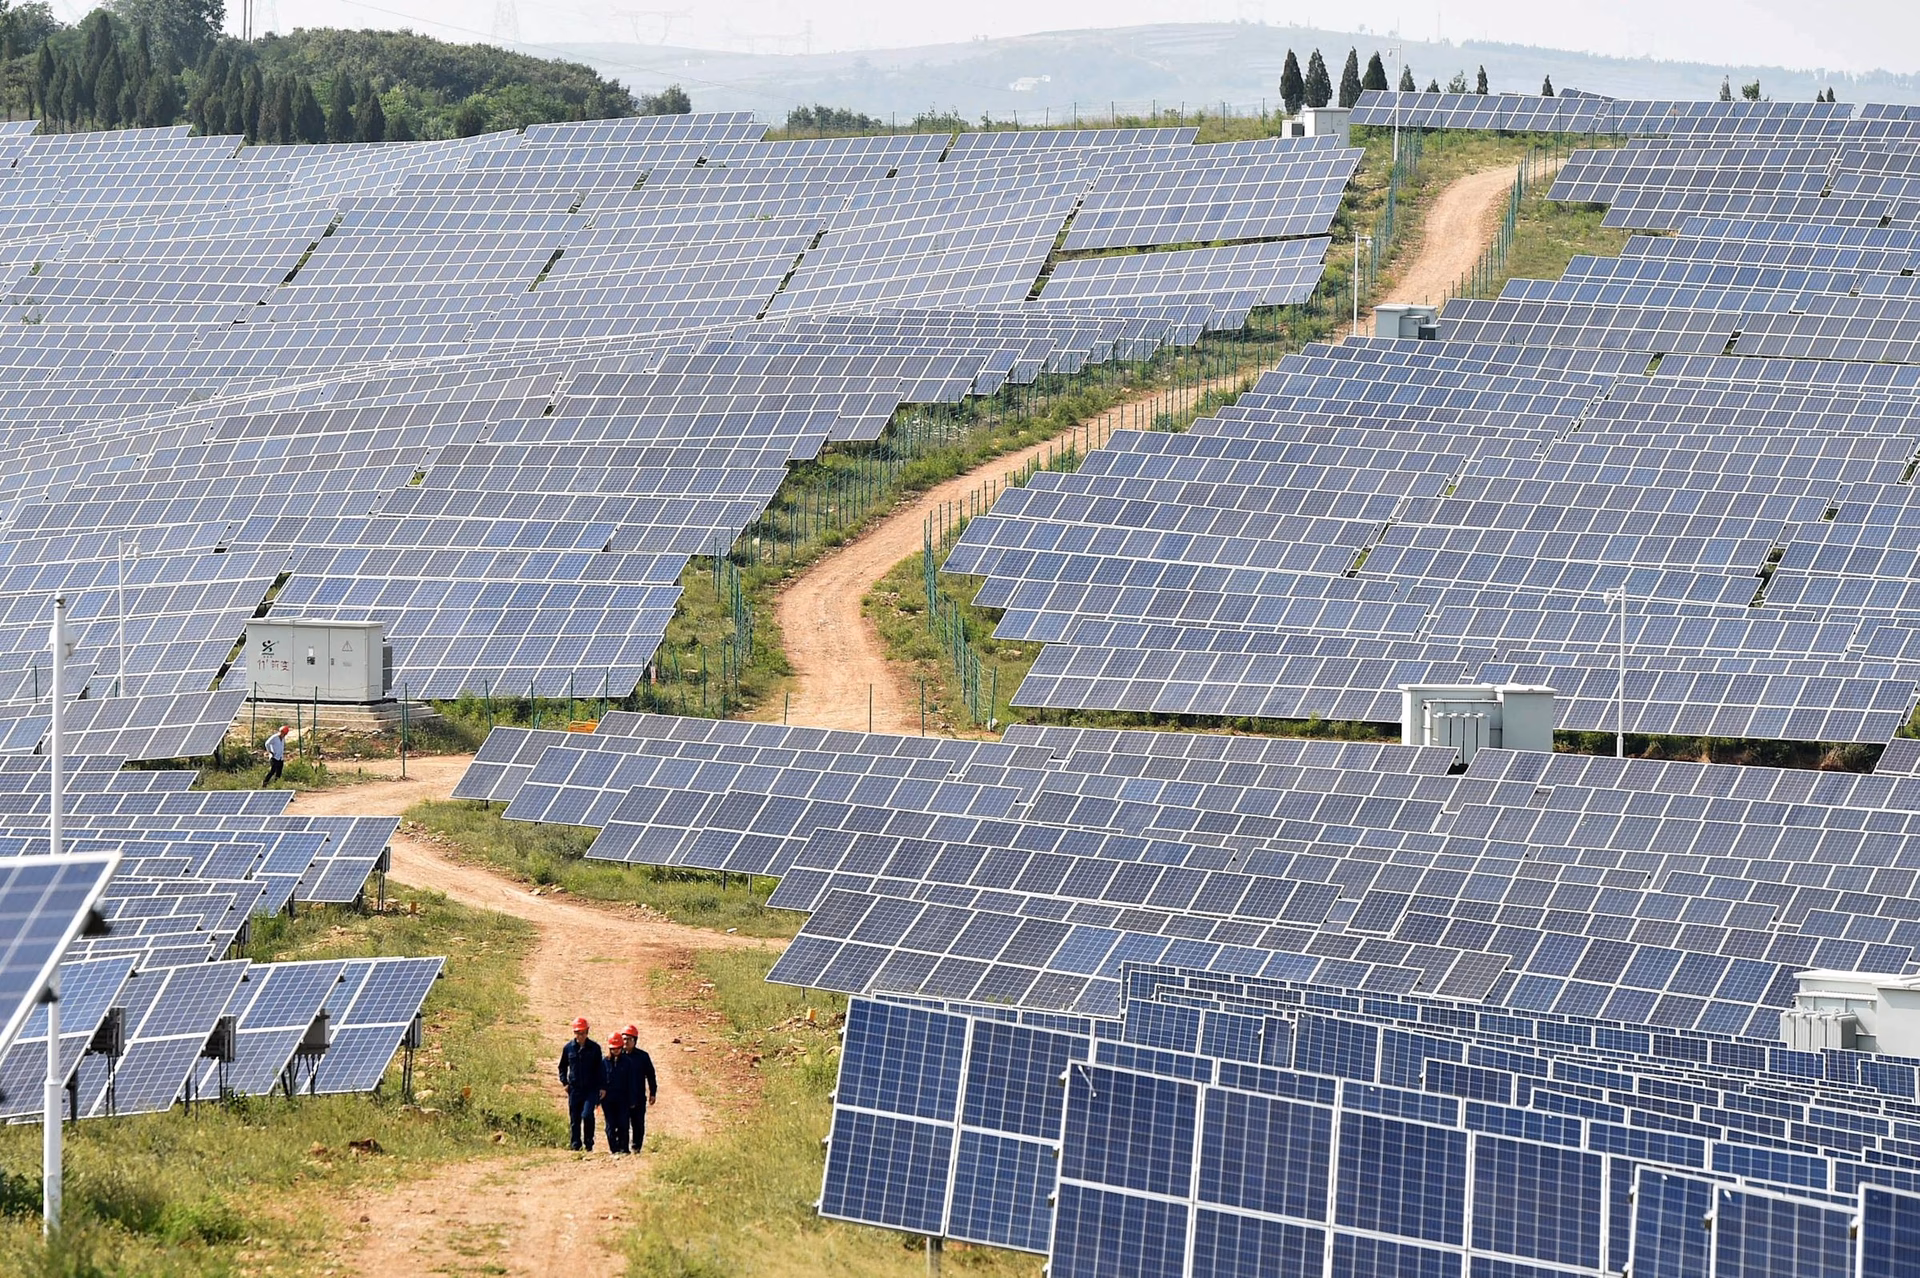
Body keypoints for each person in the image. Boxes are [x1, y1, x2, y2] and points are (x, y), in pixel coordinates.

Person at [557, 1016, 604, 1152]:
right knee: (575, 1118)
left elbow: (600, 1069)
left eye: (583, 1032)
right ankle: (575, 1145)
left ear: (587, 1031)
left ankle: (589, 1143)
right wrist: (564, 1082)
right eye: (577, 1033)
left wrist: (602, 1087)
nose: (580, 1035)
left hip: (591, 1089)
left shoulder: (595, 1048)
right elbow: (562, 1066)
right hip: (575, 1089)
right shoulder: (568, 1048)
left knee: (587, 1115)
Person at [618, 1022, 658, 1154]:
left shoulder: (643, 1057)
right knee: (622, 1123)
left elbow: (650, 1075)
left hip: (638, 1097)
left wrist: (653, 1092)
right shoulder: (617, 1055)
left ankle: (636, 1147)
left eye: (629, 1039)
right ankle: (623, 1148)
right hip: (622, 1097)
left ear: (635, 1041)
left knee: (638, 1124)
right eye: (624, 1039)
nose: (626, 1042)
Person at [601, 1032, 630, 1155]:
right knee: (610, 1125)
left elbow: (632, 1081)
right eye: (613, 1048)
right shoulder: (604, 1062)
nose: (616, 1050)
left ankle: (624, 1148)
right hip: (608, 1100)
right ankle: (614, 1149)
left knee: (623, 1123)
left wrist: (632, 1099)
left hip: (623, 1099)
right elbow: (599, 1079)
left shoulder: (628, 1062)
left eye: (618, 1048)